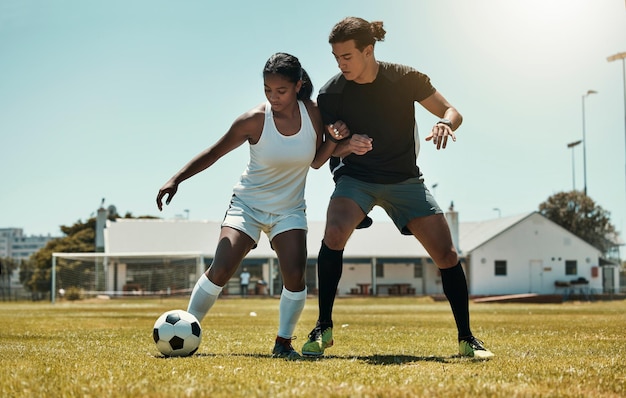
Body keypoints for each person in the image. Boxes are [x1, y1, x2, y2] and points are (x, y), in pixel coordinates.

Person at [301, 17, 494, 359]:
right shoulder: (331, 93)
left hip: (404, 180)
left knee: (447, 255)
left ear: (368, 50)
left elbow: (452, 111)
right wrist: (346, 144)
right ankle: (323, 327)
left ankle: (467, 339)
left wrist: (444, 124)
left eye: (347, 56)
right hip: (355, 178)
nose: (340, 63)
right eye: (336, 57)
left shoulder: (406, 79)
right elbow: (323, 154)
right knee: (333, 233)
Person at [156, 52, 346, 359]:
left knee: (296, 276)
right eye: (267, 90)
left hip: (289, 209)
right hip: (247, 205)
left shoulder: (313, 113)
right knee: (221, 267)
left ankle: (283, 343)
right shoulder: (254, 120)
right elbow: (214, 152)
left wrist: (336, 140)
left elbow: (316, 161)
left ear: (298, 86)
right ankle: (187, 328)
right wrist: (177, 178)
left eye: (281, 91)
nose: (273, 97)